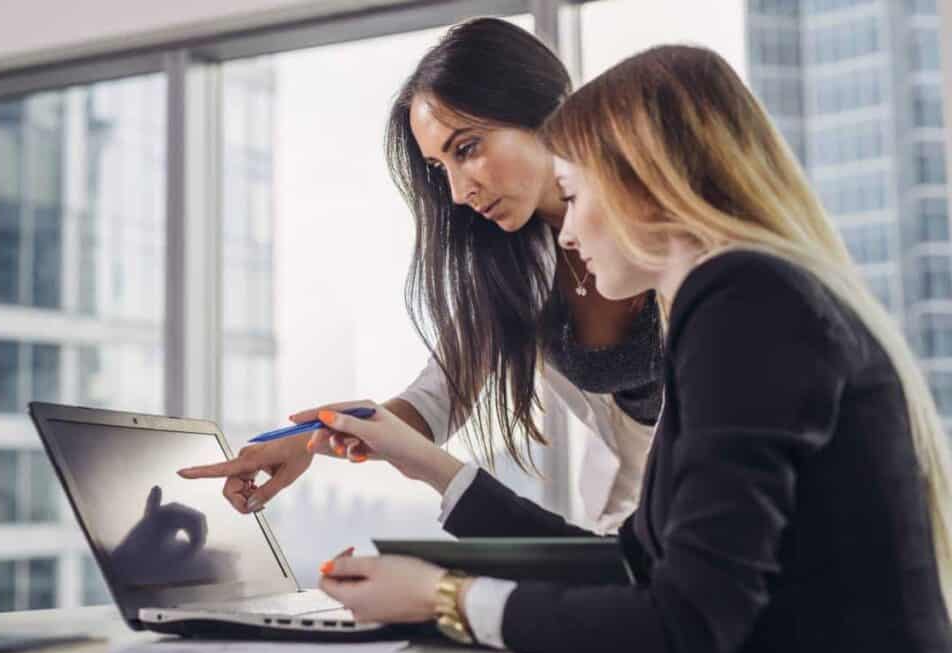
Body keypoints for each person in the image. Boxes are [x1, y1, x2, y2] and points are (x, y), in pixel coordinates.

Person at [299, 46, 952, 653]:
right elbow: (630, 562)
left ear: (645, 182)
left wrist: (447, 599)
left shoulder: (745, 303)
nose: (570, 233)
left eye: (577, 196)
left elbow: (685, 628)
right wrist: (423, 472)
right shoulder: (737, 301)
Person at [180, 18, 664, 530]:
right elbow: (434, 403)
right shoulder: (514, 267)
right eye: (440, 167)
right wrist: (308, 442)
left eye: (467, 148)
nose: (457, 191)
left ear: (546, 111)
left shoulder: (671, 226)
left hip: (731, 506)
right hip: (636, 524)